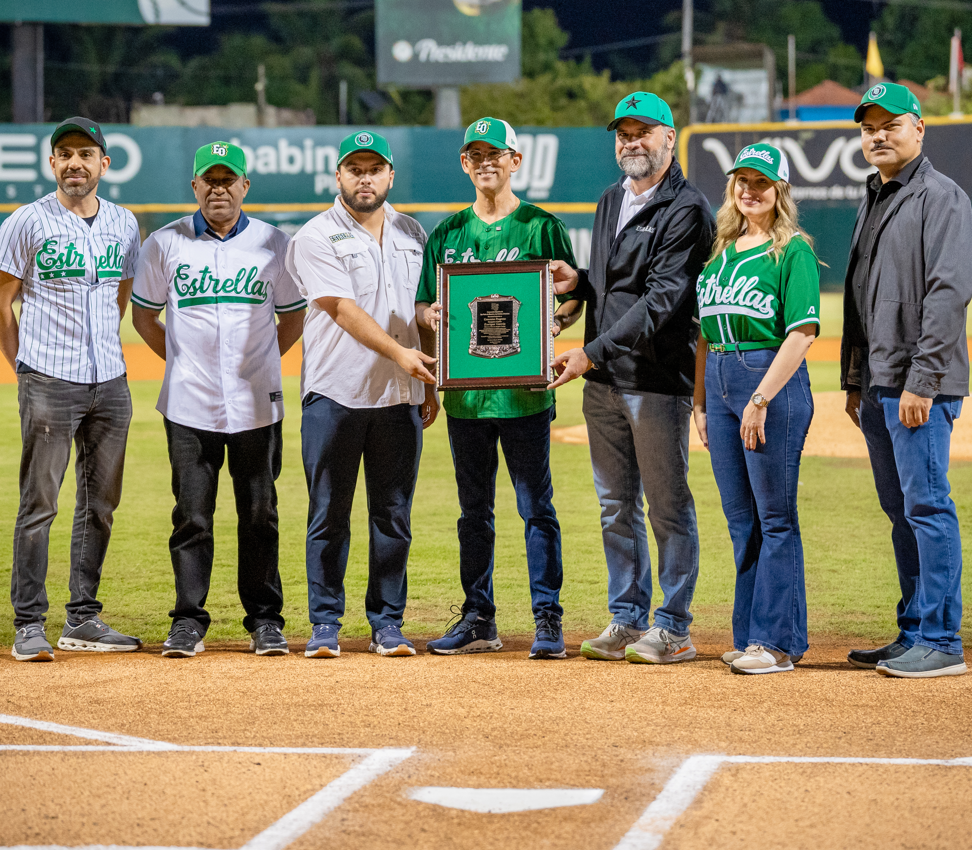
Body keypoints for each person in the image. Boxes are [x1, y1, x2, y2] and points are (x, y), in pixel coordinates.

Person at [547, 91, 715, 664]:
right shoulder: (608, 199)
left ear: (671, 137)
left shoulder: (686, 208)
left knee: (666, 506)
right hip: (606, 382)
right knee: (615, 505)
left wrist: (589, 351)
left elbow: (664, 297)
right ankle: (627, 617)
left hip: (655, 379)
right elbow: (619, 286)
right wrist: (584, 281)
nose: (632, 142)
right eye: (623, 133)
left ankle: (673, 626)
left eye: (644, 131)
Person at [131, 143, 307, 659]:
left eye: (229, 180)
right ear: (195, 188)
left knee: (259, 514)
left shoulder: (275, 244)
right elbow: (144, 318)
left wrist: (261, 361)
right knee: (191, 516)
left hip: (256, 403)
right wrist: (182, 360)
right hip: (188, 405)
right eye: (209, 180)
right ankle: (188, 621)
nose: (219, 189)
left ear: (245, 187)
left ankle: (265, 620)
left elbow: (293, 317)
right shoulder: (164, 244)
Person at [414, 117, 581, 660]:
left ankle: (547, 617)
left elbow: (574, 296)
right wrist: (431, 315)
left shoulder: (541, 226)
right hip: (466, 395)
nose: (486, 162)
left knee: (536, 507)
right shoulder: (447, 234)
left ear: (516, 160)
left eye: (496, 154)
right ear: (465, 164)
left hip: (524, 394)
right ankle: (478, 617)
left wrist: (553, 324)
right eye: (475, 155)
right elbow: (423, 304)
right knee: (473, 512)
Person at [0, 117, 143, 662]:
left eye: (86, 153)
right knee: (40, 505)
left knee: (99, 505)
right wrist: (24, 368)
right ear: (52, 163)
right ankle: (29, 623)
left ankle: (84, 618)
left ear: (104, 163)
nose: (75, 163)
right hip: (49, 378)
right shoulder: (26, 222)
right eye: (65, 154)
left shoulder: (125, 223)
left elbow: (120, 297)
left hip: (112, 384)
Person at [841, 82, 972, 678]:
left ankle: (943, 642)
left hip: (916, 385)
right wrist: (854, 381)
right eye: (869, 127)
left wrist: (923, 380)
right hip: (877, 383)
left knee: (927, 507)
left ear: (918, 128)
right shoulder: (875, 196)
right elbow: (859, 299)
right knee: (901, 511)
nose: (878, 135)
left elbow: (948, 295)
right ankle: (914, 629)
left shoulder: (942, 198)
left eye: (890, 124)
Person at [283, 131, 437, 659]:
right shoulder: (315, 235)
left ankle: (387, 623)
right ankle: (325, 622)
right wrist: (402, 356)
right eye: (355, 169)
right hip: (335, 394)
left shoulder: (413, 232)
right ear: (339, 177)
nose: (365, 177)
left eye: (375, 169)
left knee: (392, 515)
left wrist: (429, 377)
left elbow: (425, 309)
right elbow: (341, 309)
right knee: (329, 513)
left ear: (391, 175)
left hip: (399, 397)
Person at [692, 143, 820, 675]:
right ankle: (750, 636)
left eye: (761, 182)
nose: (749, 190)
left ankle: (778, 642)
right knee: (742, 521)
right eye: (741, 181)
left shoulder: (793, 251)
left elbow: (802, 332)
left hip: (769, 380)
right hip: (720, 378)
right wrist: (699, 402)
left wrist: (761, 399)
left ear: (780, 191)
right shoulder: (721, 253)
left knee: (775, 518)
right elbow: (702, 335)